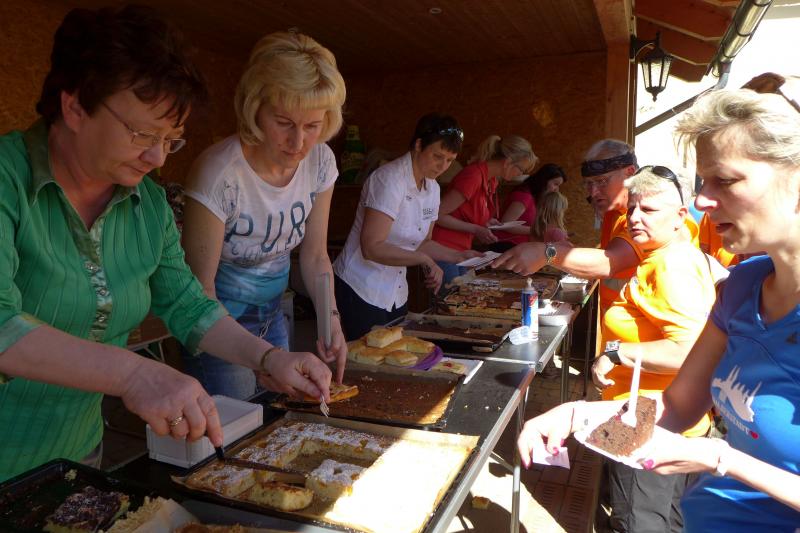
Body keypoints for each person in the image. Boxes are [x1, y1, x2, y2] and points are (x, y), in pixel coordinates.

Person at [0, 6, 332, 483]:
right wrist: (134, 373)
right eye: (142, 134)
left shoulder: (148, 205)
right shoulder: (8, 180)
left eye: (170, 139)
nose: (157, 158)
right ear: (74, 107)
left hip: (75, 456)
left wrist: (269, 358)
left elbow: (189, 305)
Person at [517, 79, 800, 531]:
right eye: (703, 181)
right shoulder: (744, 285)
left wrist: (719, 457)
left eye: (725, 180)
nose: (702, 200)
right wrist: (578, 415)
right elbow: (676, 405)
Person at [180, 31, 348, 398]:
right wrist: (262, 359)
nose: (298, 143)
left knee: (280, 412)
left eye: (312, 126)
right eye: (284, 122)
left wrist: (330, 321)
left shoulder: (320, 160)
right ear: (254, 108)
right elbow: (198, 295)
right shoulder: (219, 175)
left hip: (273, 315)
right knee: (240, 425)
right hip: (219, 327)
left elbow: (315, 255)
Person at [590, 165, 716, 532]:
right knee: (661, 519)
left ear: (680, 216)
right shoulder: (660, 257)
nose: (634, 218)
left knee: (638, 521)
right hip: (645, 413)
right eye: (632, 208)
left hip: (649, 420)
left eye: (648, 210)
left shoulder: (672, 266)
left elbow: (688, 350)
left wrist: (616, 354)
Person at [494, 140, 700, 320]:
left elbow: (610, 262)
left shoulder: (650, 217)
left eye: (602, 181)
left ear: (630, 173)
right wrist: (565, 252)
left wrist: (548, 252)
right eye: (589, 184)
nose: (593, 192)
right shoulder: (613, 214)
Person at [333, 113, 479, 340]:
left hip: (395, 291)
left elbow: (423, 242)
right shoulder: (389, 180)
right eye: (437, 156)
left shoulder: (432, 188)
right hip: (361, 286)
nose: (442, 166)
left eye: (450, 160)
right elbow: (372, 247)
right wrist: (423, 260)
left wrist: (458, 256)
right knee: (368, 356)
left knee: (395, 352)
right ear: (418, 145)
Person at [432, 134, 537, 283]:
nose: (521, 174)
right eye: (521, 169)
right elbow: (437, 215)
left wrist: (486, 223)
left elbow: (466, 214)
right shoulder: (473, 176)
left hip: (462, 251)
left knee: (464, 292)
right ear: (508, 162)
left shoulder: (491, 180)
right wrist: (476, 229)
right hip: (443, 248)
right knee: (452, 295)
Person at [492, 163, 567, 249]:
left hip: (517, 247)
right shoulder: (524, 196)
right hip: (505, 245)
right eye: (555, 184)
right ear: (544, 180)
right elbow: (506, 224)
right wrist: (538, 230)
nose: (557, 189)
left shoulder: (533, 197)